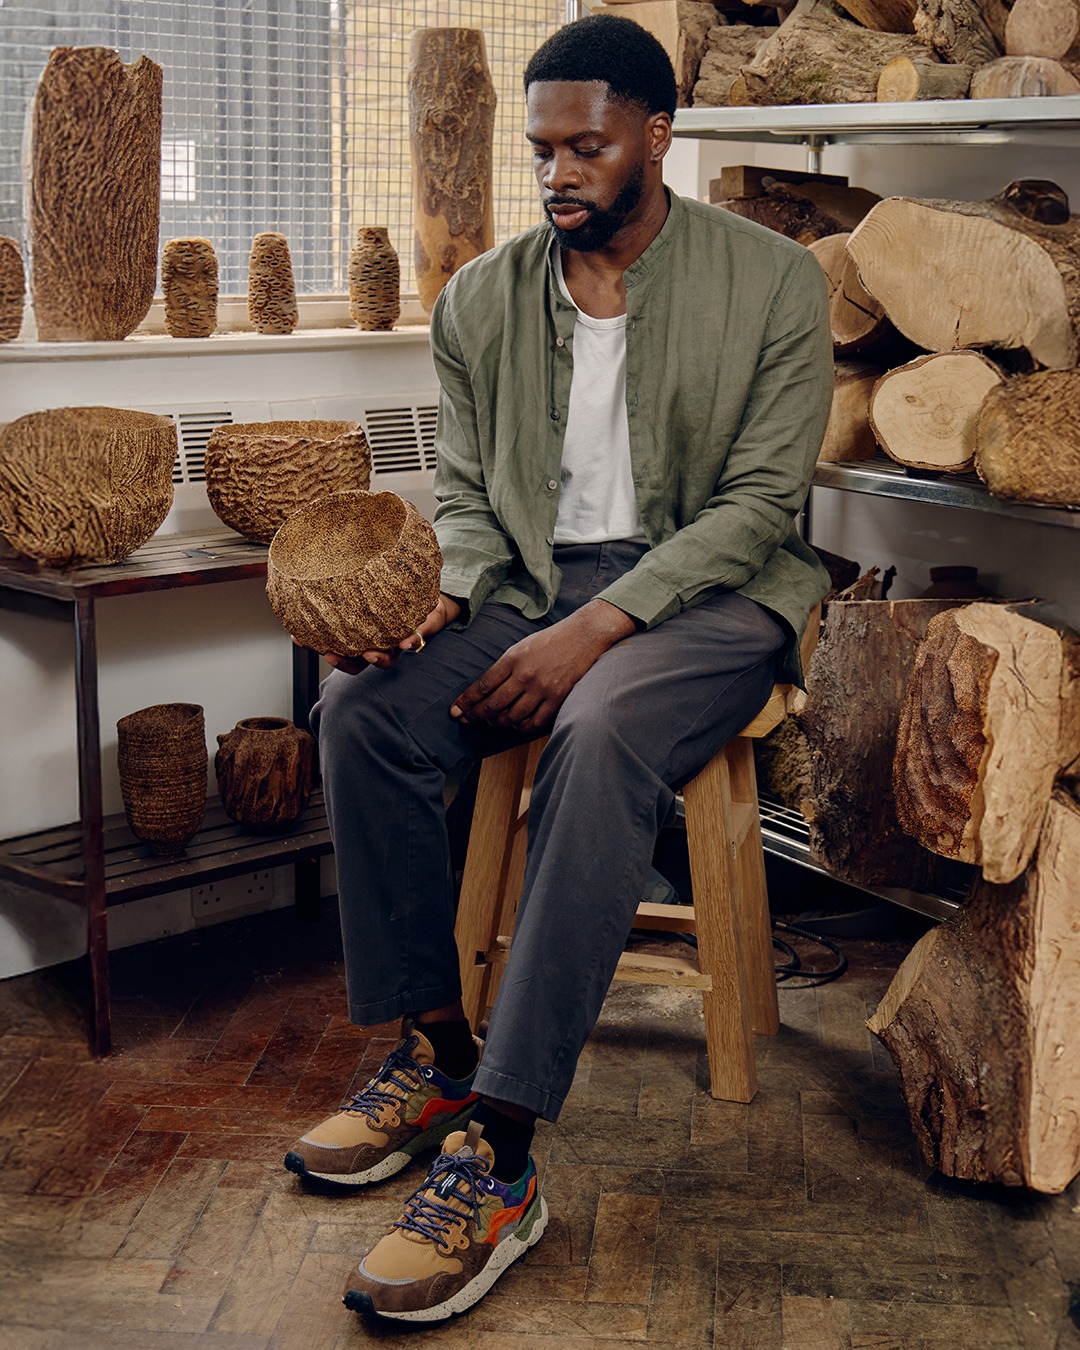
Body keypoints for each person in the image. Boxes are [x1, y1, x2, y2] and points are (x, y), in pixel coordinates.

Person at [285, 12, 833, 1324]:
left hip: (716, 598)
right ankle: (435, 1051)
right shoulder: (479, 298)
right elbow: (470, 498)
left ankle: (502, 1149)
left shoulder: (773, 282)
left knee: (599, 726)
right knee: (359, 706)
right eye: (541, 149)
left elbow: (762, 505)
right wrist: (440, 601)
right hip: (530, 584)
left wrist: (604, 625)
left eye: (587, 146)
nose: (558, 172)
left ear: (657, 134)